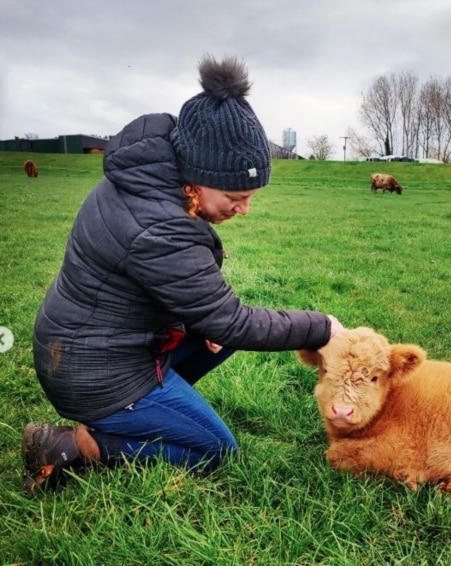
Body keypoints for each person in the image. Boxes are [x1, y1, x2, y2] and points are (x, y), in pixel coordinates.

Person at [22, 55, 344, 495]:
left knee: (219, 333)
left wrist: (201, 322)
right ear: (197, 177)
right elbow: (232, 321)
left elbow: (190, 305)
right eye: (235, 195)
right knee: (212, 449)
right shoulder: (157, 224)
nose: (244, 209)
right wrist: (323, 327)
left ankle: (154, 408)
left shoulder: (149, 180)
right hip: (94, 372)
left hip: (93, 345)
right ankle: (68, 444)